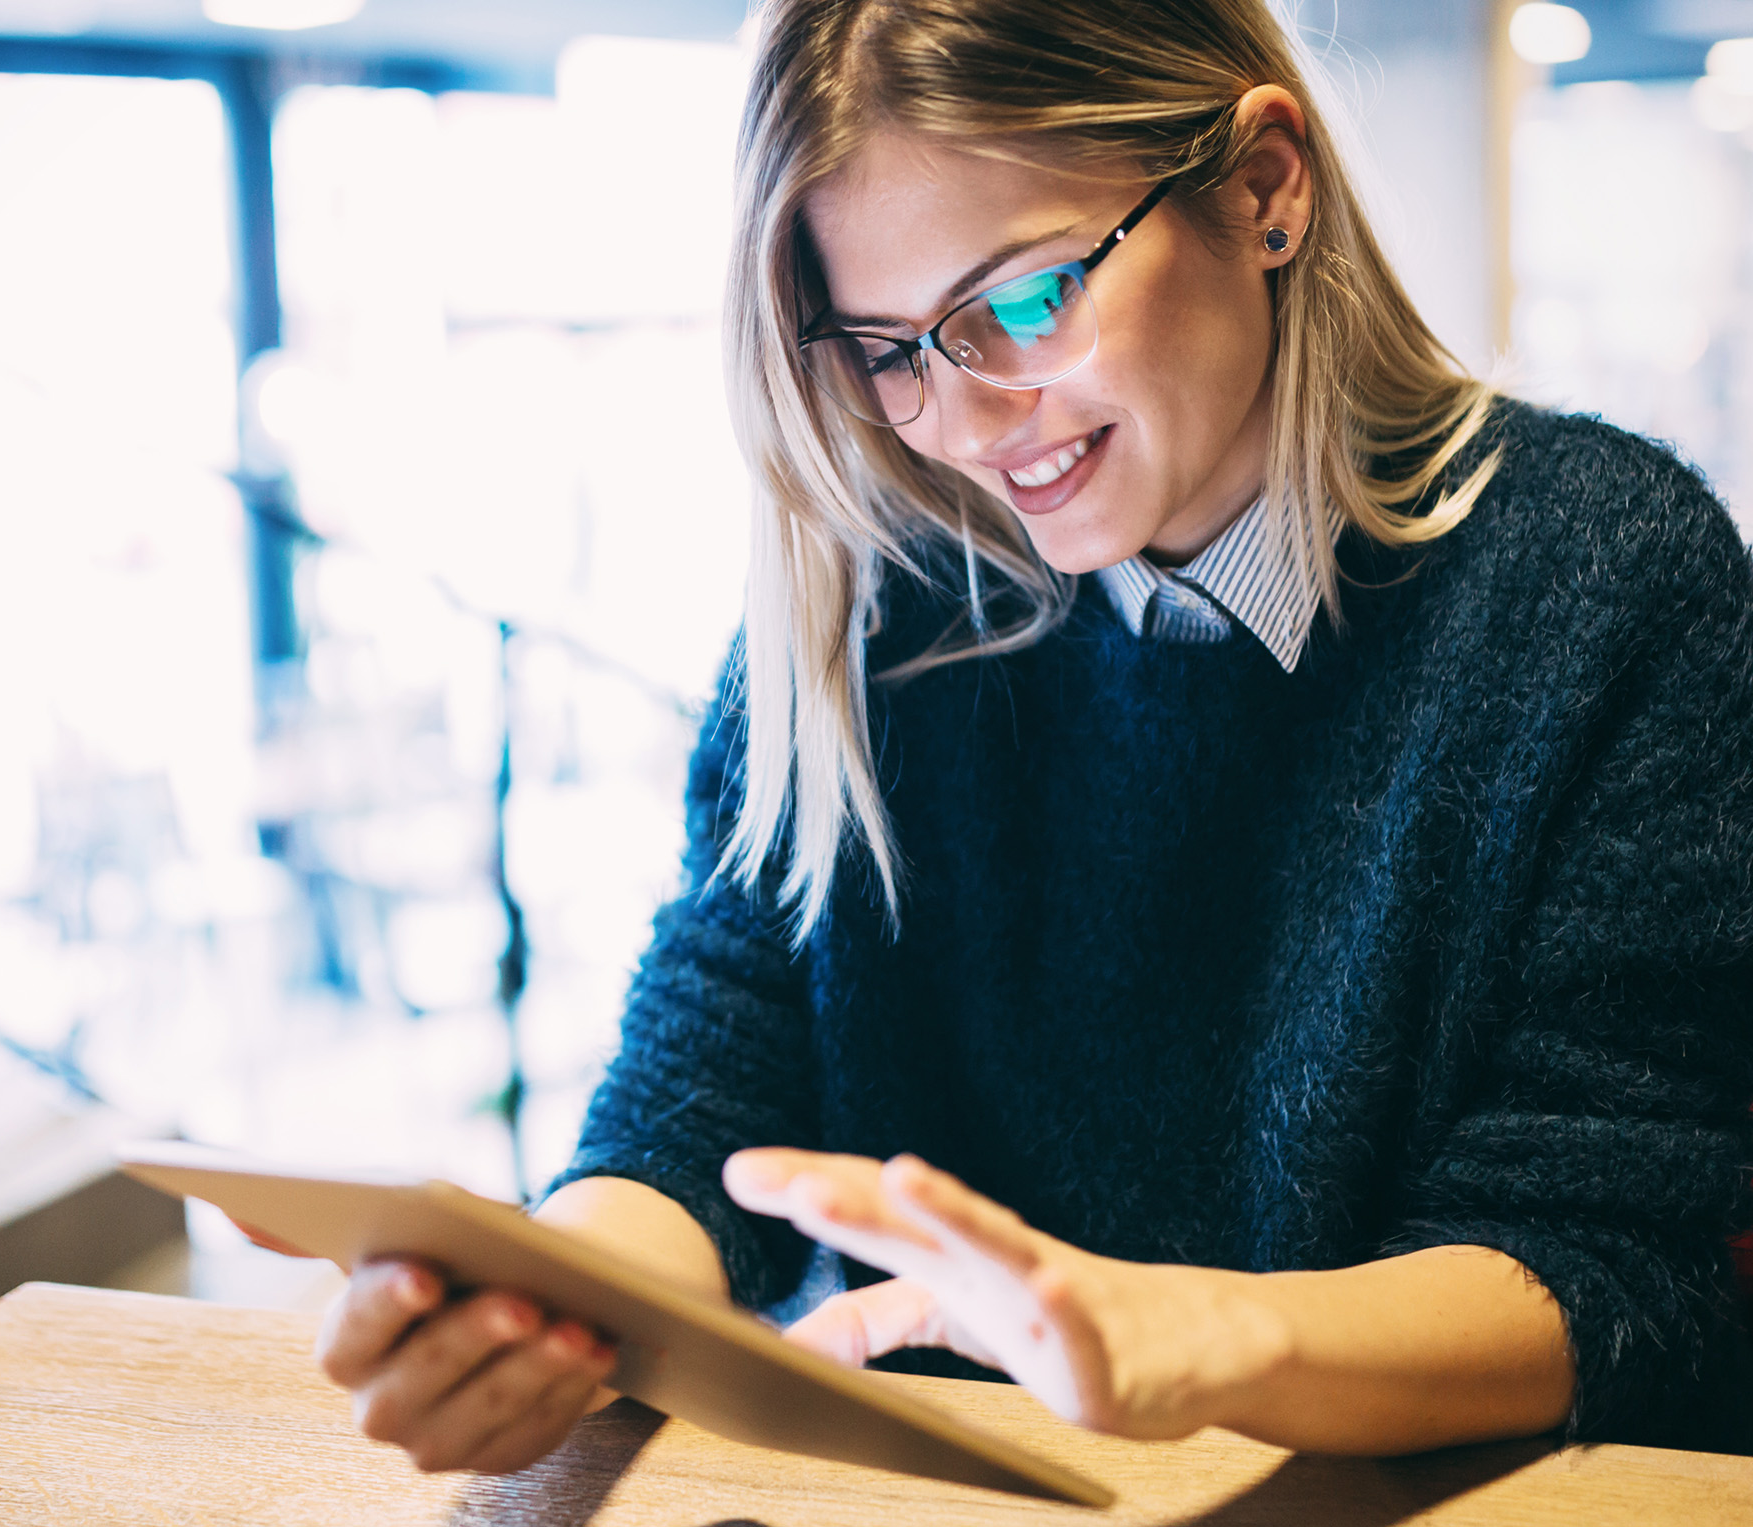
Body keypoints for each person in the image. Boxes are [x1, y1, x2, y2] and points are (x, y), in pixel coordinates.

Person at [313, 0, 1753, 1471]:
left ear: (1264, 189)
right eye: (885, 349)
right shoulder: (874, 602)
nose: (966, 419)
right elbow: (705, 1093)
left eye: (1018, 303)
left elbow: (1615, 1263)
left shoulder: (1603, 579)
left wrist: (1188, 1338)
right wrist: (553, 1309)